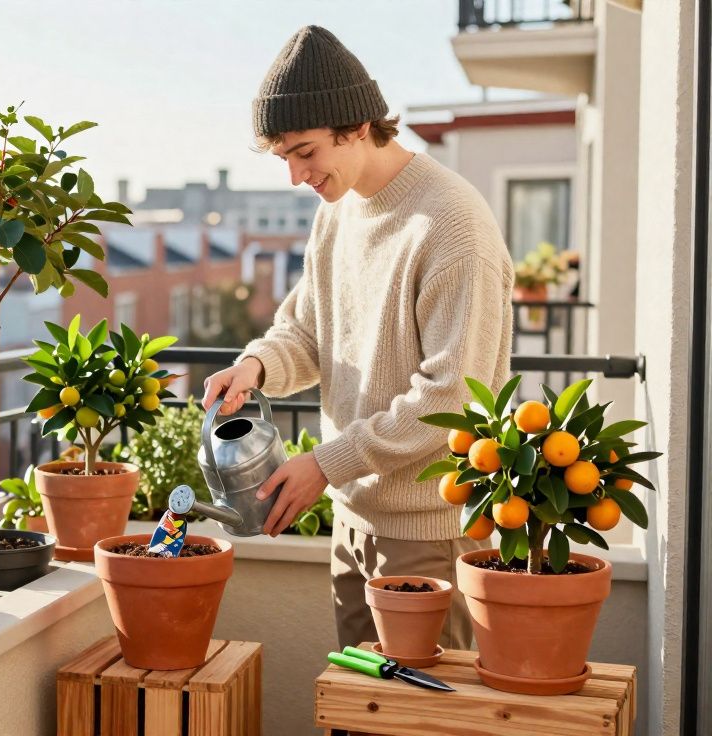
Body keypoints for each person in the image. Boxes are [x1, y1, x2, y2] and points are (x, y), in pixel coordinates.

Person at [201, 25, 514, 652]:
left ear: (359, 125)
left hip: (431, 532)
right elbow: (306, 331)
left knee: (420, 703)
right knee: (354, 699)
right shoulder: (337, 212)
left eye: (306, 151)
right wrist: (256, 366)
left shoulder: (452, 225)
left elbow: (452, 397)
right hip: (353, 522)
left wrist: (325, 464)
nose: (296, 176)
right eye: (284, 158)